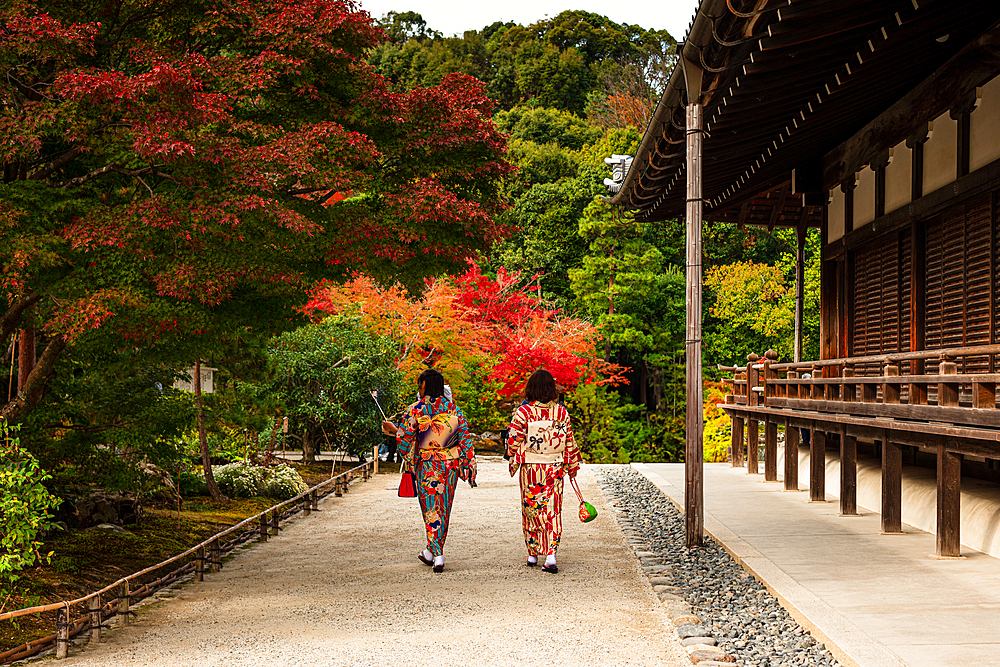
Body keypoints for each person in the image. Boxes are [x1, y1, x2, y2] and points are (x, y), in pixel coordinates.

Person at [393, 369, 476, 573]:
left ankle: (438, 555)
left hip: (428, 465)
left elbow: (404, 440)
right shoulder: (454, 409)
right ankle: (432, 551)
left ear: (424, 386)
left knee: (431, 508)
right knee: (444, 508)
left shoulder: (416, 409)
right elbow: (465, 439)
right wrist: (467, 462)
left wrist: (396, 434)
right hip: (450, 465)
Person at [505, 369, 581, 574]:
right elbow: (569, 441)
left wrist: (512, 454)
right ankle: (551, 555)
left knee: (531, 506)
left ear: (531, 388)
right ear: (551, 388)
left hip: (531, 467)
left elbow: (513, 439)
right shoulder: (561, 412)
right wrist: (572, 465)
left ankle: (532, 552)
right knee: (553, 510)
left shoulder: (524, 412)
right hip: (554, 466)